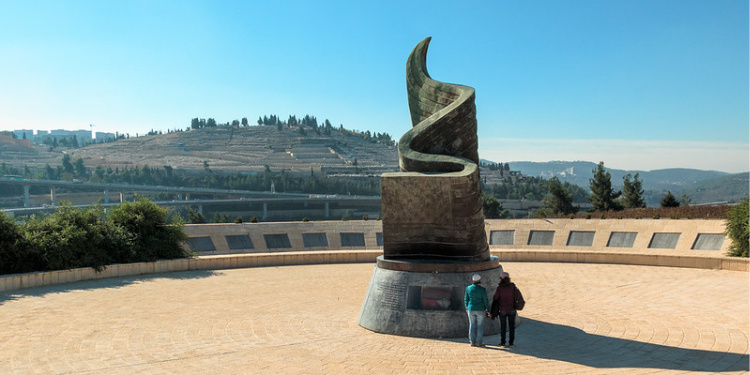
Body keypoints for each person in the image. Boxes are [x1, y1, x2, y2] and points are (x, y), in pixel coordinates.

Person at [491, 271, 524, 348]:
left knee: (503, 327)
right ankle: (511, 343)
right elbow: (519, 297)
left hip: (502, 310)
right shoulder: (513, 287)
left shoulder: (500, 288)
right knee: (511, 327)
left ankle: (503, 342)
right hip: (512, 310)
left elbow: (495, 298)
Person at [464, 274, 490, 347]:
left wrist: (466, 307)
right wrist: (488, 310)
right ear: (479, 280)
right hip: (480, 309)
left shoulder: (468, 288)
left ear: (473, 280)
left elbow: (466, 299)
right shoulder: (482, 289)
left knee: (472, 325)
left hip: (471, 308)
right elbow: (485, 301)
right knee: (480, 326)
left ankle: (472, 342)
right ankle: (479, 342)